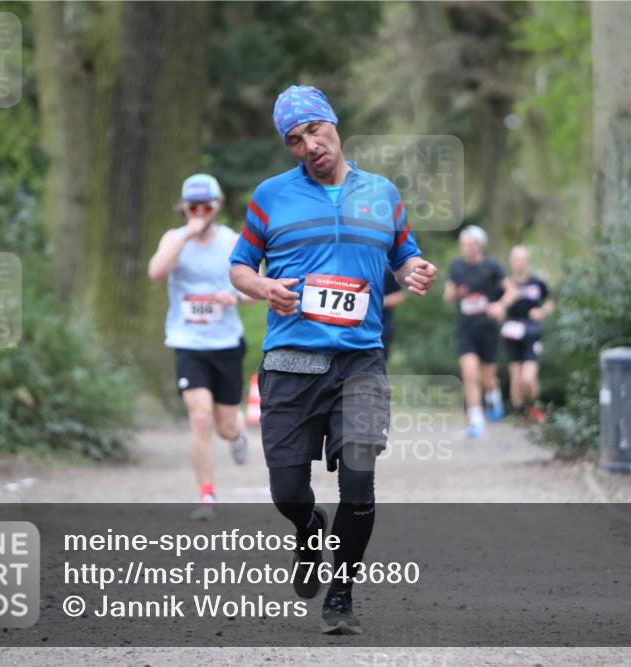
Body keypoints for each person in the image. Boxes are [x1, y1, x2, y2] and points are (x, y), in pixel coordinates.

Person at [229, 85, 437, 635]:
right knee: (286, 492)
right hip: (291, 363)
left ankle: (341, 594)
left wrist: (413, 270)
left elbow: (404, 254)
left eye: (315, 130)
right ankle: (308, 528)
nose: (309, 145)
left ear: (333, 124)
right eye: (294, 140)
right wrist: (263, 287)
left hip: (361, 363)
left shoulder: (382, 193)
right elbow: (239, 266)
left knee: (361, 483)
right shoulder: (271, 196)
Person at [148, 173, 250, 521]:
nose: (201, 212)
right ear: (184, 208)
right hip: (188, 342)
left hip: (225, 343)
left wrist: (234, 297)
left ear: (217, 206)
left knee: (224, 426)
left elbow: (257, 287)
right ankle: (207, 496)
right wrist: (187, 235)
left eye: (207, 207)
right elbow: (157, 272)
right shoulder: (173, 239)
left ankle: (236, 432)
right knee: (201, 417)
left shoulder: (232, 241)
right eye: (194, 207)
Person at [444, 225, 516, 438]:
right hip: (466, 328)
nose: (468, 248)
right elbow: (447, 297)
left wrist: (500, 305)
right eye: (464, 245)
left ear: (480, 245)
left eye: (471, 244)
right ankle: (476, 421)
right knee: (469, 373)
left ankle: (493, 393)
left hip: (488, 328)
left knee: (487, 377)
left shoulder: (492, 266)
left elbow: (511, 291)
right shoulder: (457, 267)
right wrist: (456, 292)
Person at [502, 245, 554, 422]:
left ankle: (534, 407)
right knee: (516, 380)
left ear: (528, 261)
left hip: (532, 332)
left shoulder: (537, 282)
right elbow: (496, 305)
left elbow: (549, 302)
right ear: (511, 262)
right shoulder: (505, 284)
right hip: (512, 334)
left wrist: (541, 312)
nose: (519, 263)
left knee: (528, 379)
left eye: (523, 259)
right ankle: (521, 414)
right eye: (516, 259)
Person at [381, 269, 406, 361]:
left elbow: (400, 296)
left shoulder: (387, 268)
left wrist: (376, 302)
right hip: (351, 329)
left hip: (381, 329)